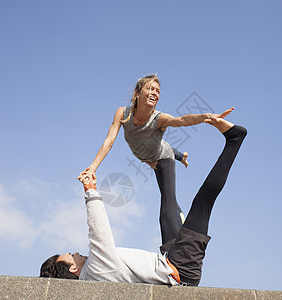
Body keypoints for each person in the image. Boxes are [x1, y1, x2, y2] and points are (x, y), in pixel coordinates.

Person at [41, 116, 247, 286]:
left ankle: (163, 160)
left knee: (166, 212)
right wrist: (90, 190)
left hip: (169, 260)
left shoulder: (94, 279)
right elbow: (98, 229)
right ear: (73, 268)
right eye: (71, 255)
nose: (76, 252)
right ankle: (234, 139)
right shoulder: (95, 266)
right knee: (203, 201)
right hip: (180, 268)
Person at [78, 74, 234, 245]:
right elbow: (109, 141)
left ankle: (173, 247)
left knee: (168, 203)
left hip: (161, 157)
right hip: (146, 153)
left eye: (158, 91)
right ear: (137, 93)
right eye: (150, 88)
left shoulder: (159, 119)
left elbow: (181, 120)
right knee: (157, 148)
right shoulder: (123, 113)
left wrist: (205, 116)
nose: (154, 93)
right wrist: (93, 167)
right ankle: (182, 156)